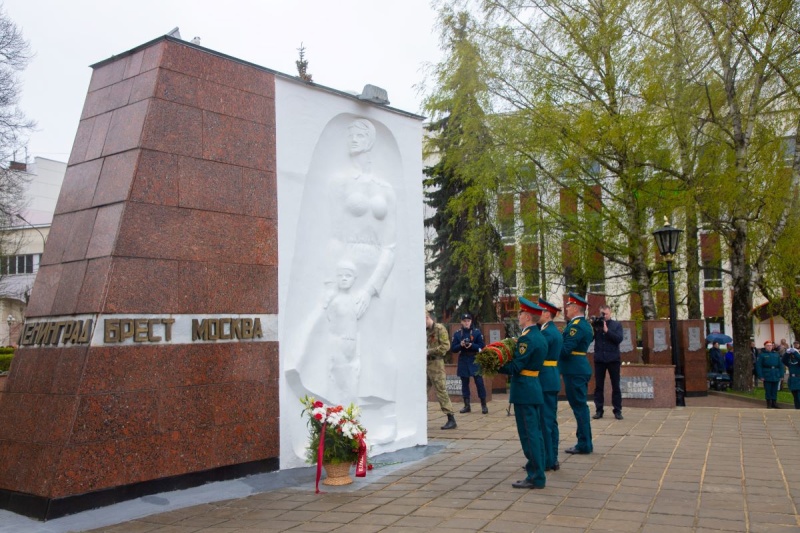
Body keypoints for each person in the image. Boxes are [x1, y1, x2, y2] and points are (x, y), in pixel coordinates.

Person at [499, 297, 548, 489]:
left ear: (527, 316)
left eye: (520, 313)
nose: (518, 316)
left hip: (525, 391)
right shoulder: (539, 336)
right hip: (533, 387)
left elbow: (517, 366)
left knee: (529, 435)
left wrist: (495, 363)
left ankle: (536, 476)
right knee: (535, 433)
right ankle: (537, 471)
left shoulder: (527, 338)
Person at [559, 292, 594, 455]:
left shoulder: (576, 326)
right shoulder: (584, 325)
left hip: (574, 369)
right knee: (580, 407)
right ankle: (584, 441)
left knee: (579, 407)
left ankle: (584, 443)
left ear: (575, 308)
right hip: (578, 368)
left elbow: (566, 349)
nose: (566, 310)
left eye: (568, 307)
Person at [538, 297, 564, 471]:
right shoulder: (553, 330)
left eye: (539, 311)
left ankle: (548, 459)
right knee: (550, 421)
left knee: (545, 421)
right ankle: (552, 457)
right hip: (551, 376)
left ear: (547, 314)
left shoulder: (547, 333)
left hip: (545, 378)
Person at [591, 304, 624, 420]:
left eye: (605, 314)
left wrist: (607, 330)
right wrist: (594, 327)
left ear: (610, 313)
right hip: (600, 359)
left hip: (613, 359)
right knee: (599, 386)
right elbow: (590, 338)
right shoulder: (597, 325)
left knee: (616, 385)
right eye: (602, 314)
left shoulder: (616, 325)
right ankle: (599, 410)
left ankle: (617, 410)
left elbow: (618, 339)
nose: (604, 316)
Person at [426, 311, 457, 429]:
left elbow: (446, 346)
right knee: (421, 393)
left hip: (436, 364)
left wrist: (430, 351)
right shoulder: (424, 331)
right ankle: (421, 419)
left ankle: (451, 418)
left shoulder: (439, 328)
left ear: (427, 318)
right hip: (425, 365)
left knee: (441, 391)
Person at [451, 313, 487, 414]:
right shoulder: (458, 334)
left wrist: (472, 345)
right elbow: (453, 349)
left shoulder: (476, 332)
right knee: (464, 384)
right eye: (465, 321)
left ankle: (483, 405)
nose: (467, 323)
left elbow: (482, 346)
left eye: (468, 321)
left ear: (471, 321)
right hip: (463, 359)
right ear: (461, 322)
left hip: (474, 359)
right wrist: (460, 345)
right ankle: (467, 405)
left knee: (479, 383)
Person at [756, 341, 784, 408]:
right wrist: (761, 375)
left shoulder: (776, 354)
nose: (769, 347)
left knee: (774, 389)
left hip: (775, 373)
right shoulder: (762, 355)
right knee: (768, 389)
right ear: (765, 346)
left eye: (771, 345)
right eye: (768, 345)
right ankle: (769, 403)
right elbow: (759, 366)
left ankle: (774, 403)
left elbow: (781, 365)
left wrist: (781, 375)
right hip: (767, 374)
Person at [781, 342, 800, 409]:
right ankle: (797, 409)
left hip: (799, 379)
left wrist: (795, 352)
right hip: (792, 380)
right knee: (795, 398)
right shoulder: (791, 362)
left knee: (799, 397)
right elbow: (783, 360)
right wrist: (787, 353)